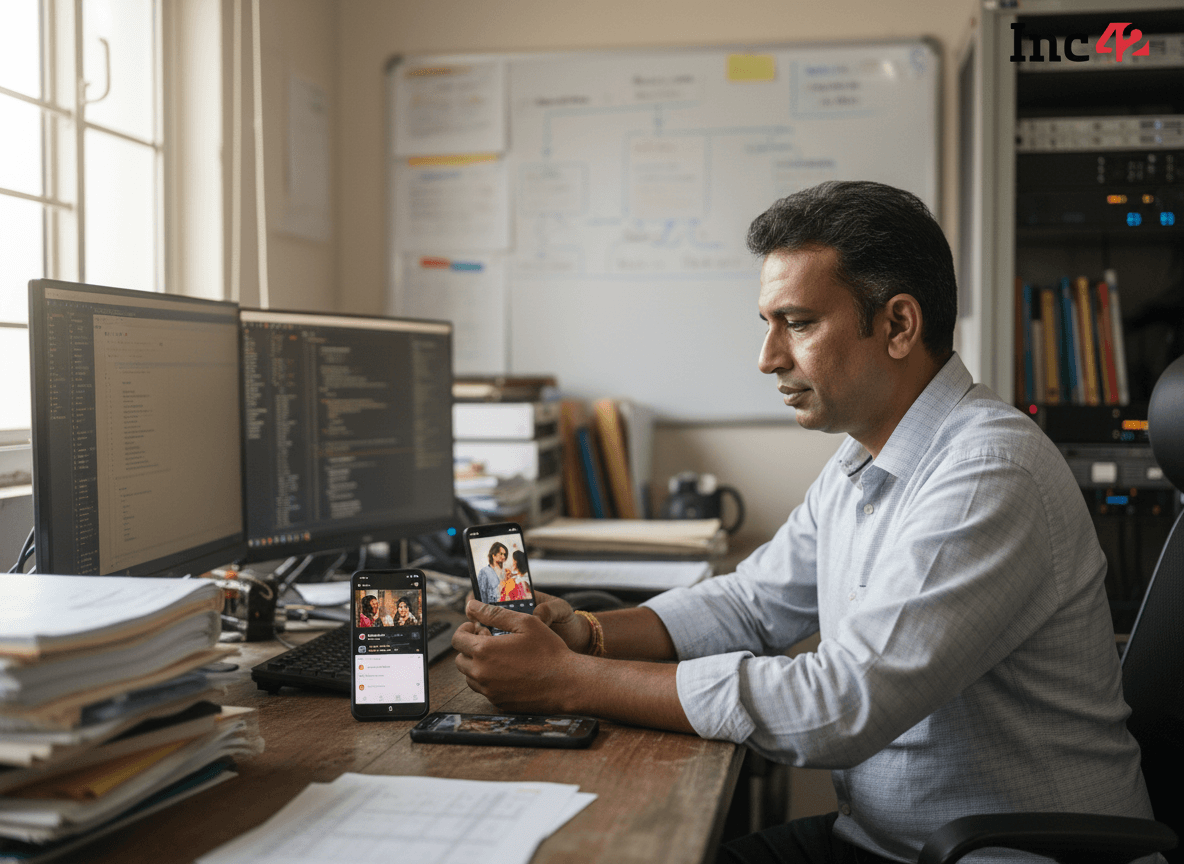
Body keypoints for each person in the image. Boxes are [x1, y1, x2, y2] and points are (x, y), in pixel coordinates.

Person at [451, 181, 1156, 864]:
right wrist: (589, 634)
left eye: (798, 323)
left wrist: (571, 681)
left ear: (899, 325)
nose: (768, 359)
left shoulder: (989, 473)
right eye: (768, 325)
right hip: (890, 842)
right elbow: (753, 602)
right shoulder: (868, 455)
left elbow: (840, 705)